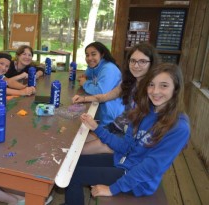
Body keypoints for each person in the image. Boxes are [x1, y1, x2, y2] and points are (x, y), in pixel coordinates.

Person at [64, 63, 190, 204]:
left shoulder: (179, 127)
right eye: (151, 85)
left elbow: (150, 168)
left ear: (176, 89)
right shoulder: (144, 111)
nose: (155, 91)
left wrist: (112, 189)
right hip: (124, 161)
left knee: (74, 175)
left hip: (138, 181)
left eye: (164, 85)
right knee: (72, 163)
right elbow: (125, 146)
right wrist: (97, 128)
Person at [73, 43, 160, 154]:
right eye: (132, 61)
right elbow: (105, 96)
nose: (136, 65)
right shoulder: (129, 81)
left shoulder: (153, 90)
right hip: (115, 126)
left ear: (152, 63)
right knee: (77, 141)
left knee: (77, 151)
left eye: (142, 61)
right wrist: (84, 98)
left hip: (126, 138)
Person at [77, 41, 124, 126]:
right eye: (87, 55)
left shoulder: (108, 68)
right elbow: (86, 75)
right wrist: (84, 78)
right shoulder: (96, 66)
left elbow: (101, 91)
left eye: (93, 54)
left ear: (102, 55)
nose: (90, 58)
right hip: (101, 109)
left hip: (111, 117)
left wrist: (85, 83)